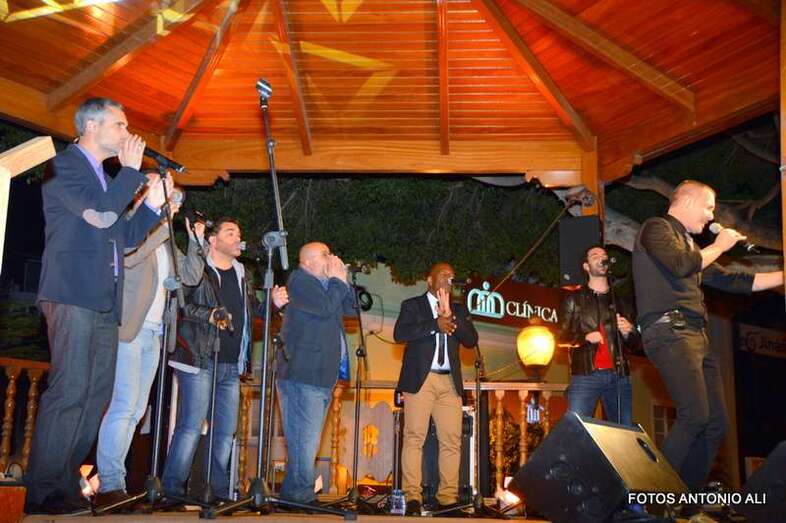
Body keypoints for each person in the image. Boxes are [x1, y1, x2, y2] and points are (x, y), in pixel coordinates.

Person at [27, 97, 171, 513]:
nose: (128, 134)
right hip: (71, 292)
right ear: (92, 126)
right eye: (120, 125)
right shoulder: (64, 166)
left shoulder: (105, 178)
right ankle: (43, 490)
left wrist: (153, 206)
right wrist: (131, 173)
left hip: (104, 298)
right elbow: (102, 217)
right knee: (71, 389)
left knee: (95, 395)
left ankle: (66, 486)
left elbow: (123, 237)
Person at [633, 180, 783, 491]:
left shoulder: (692, 248)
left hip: (696, 336)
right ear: (688, 202)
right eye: (709, 207)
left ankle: (686, 495)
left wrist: (783, 276)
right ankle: (654, 496)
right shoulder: (656, 228)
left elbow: (734, 281)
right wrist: (720, 246)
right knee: (694, 415)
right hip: (670, 330)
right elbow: (680, 265)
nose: (711, 216)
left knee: (716, 423)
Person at [161, 218, 288, 501]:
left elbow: (252, 312)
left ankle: (217, 490)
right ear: (213, 240)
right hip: (199, 357)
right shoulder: (199, 268)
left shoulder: (243, 274)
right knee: (191, 426)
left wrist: (273, 304)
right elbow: (181, 305)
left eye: (239, 233)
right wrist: (208, 314)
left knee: (225, 431)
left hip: (232, 363)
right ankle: (171, 490)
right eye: (230, 233)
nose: (237, 238)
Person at [94, 189, 205, 506]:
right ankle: (109, 485)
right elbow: (129, 257)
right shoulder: (131, 226)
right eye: (167, 200)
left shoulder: (165, 240)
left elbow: (190, 276)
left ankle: (115, 483)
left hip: (155, 333)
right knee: (124, 406)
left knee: (137, 411)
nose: (173, 206)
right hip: (130, 330)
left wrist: (195, 242)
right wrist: (162, 225)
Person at [394, 263, 478, 516]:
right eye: (444, 275)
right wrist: (435, 324)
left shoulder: (459, 310)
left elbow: (471, 340)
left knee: (452, 441)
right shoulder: (413, 305)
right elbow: (400, 333)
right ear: (430, 280)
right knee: (414, 438)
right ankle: (412, 497)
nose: (449, 279)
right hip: (421, 380)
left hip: (449, 381)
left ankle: (448, 499)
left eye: (452, 276)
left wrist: (451, 316)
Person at [276, 242, 356, 505]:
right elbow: (324, 307)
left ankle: (292, 494)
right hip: (302, 372)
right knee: (305, 439)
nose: (331, 257)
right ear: (308, 261)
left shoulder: (329, 285)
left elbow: (352, 310)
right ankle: (301, 494)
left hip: (322, 375)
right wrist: (337, 282)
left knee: (306, 438)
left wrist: (343, 280)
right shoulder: (300, 281)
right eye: (325, 255)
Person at [559, 245, 638, 426]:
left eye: (604, 255)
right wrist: (584, 338)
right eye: (595, 255)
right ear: (586, 266)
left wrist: (630, 332)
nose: (601, 257)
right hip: (586, 375)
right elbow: (560, 337)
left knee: (623, 433)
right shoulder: (574, 299)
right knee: (577, 428)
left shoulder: (622, 302)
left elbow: (635, 345)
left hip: (619, 376)